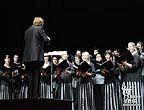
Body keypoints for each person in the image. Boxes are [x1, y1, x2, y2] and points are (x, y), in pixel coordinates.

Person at [23, 17, 51, 98]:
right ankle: (35, 96)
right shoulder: (40, 29)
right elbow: (46, 40)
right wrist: (48, 39)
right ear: (41, 23)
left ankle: (29, 95)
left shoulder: (27, 30)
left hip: (27, 58)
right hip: (37, 57)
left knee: (30, 76)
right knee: (36, 76)